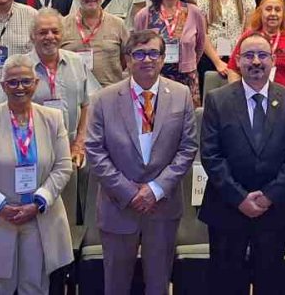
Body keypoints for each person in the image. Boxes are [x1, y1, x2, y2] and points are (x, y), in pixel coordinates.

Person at [84, 30, 199, 295]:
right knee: (116, 284)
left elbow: (188, 147)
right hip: (118, 205)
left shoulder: (181, 95)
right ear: (127, 59)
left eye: (153, 53)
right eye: (139, 53)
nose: (146, 60)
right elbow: (95, 151)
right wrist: (129, 192)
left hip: (163, 206)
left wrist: (156, 190)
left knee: (158, 284)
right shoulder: (104, 98)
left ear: (162, 59)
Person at [199, 32, 285, 295]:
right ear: (237, 60)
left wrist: (268, 197)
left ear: (273, 61)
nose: (256, 61)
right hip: (226, 208)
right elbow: (211, 155)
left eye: (262, 55)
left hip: (275, 210)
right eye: (248, 55)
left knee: (270, 282)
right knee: (226, 284)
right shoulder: (217, 99)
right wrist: (240, 198)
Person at [0, 57, 76, 295]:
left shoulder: (53, 118)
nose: (20, 87)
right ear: (3, 87)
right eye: (12, 82)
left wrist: (38, 202)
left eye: (25, 81)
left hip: (39, 217)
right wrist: (0, 206)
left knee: (36, 287)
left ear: (36, 83)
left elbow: (63, 167)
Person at [0, 8, 96, 167]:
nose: (50, 37)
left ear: (62, 34)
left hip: (72, 151)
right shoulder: (19, 67)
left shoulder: (77, 62)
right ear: (32, 36)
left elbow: (88, 105)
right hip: (31, 152)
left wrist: (80, 143)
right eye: (43, 32)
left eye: (55, 31)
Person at [133, 0, 207, 97]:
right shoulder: (144, 15)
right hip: (154, 77)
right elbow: (136, 47)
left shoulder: (194, 12)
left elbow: (200, 45)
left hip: (187, 78)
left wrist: (189, 61)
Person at [60, 0, 130, 87]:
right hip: (74, 92)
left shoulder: (118, 24)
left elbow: (126, 58)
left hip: (109, 91)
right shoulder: (62, 25)